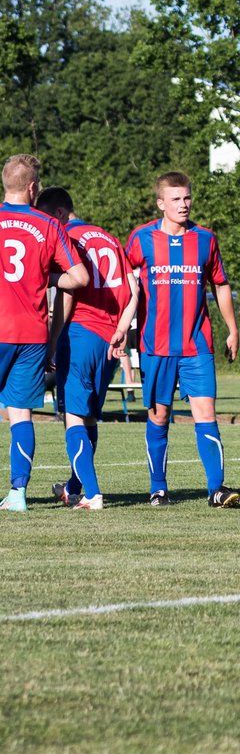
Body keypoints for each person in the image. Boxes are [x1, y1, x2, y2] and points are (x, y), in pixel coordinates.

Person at [0, 154, 89, 512]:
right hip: (32, 334)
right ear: (32, 187)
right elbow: (80, 278)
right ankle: (18, 494)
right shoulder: (47, 224)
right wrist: (48, 278)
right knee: (21, 412)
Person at [126, 171, 239, 507]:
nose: (184, 204)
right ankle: (158, 488)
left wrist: (233, 329)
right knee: (159, 416)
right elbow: (121, 280)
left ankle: (216, 490)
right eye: (176, 199)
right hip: (155, 347)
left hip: (197, 346)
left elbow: (220, 283)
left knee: (206, 413)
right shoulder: (141, 238)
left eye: (187, 198)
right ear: (161, 203)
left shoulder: (205, 239)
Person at [37, 187, 139, 511]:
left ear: (58, 215)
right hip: (109, 338)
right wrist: (122, 328)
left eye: (45, 219)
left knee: (73, 418)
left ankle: (92, 495)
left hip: (80, 332)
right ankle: (72, 487)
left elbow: (67, 295)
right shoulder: (108, 237)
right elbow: (134, 289)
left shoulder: (66, 237)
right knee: (89, 419)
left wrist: (51, 344)